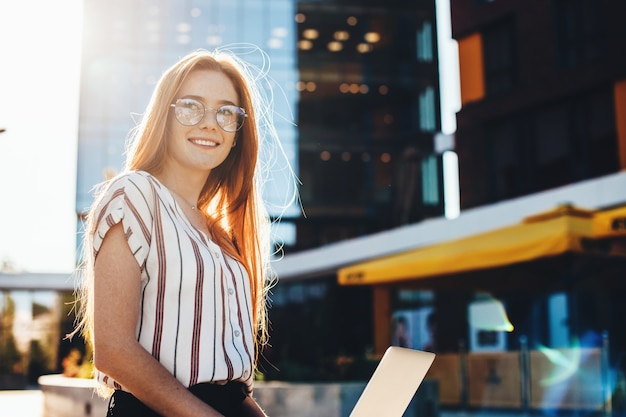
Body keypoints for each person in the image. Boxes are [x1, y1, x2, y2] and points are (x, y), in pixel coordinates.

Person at [73, 48, 293, 417]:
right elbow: (114, 350)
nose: (211, 123)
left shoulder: (220, 235)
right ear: (165, 117)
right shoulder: (134, 194)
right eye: (192, 106)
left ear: (238, 132)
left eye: (226, 112)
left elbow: (229, 384)